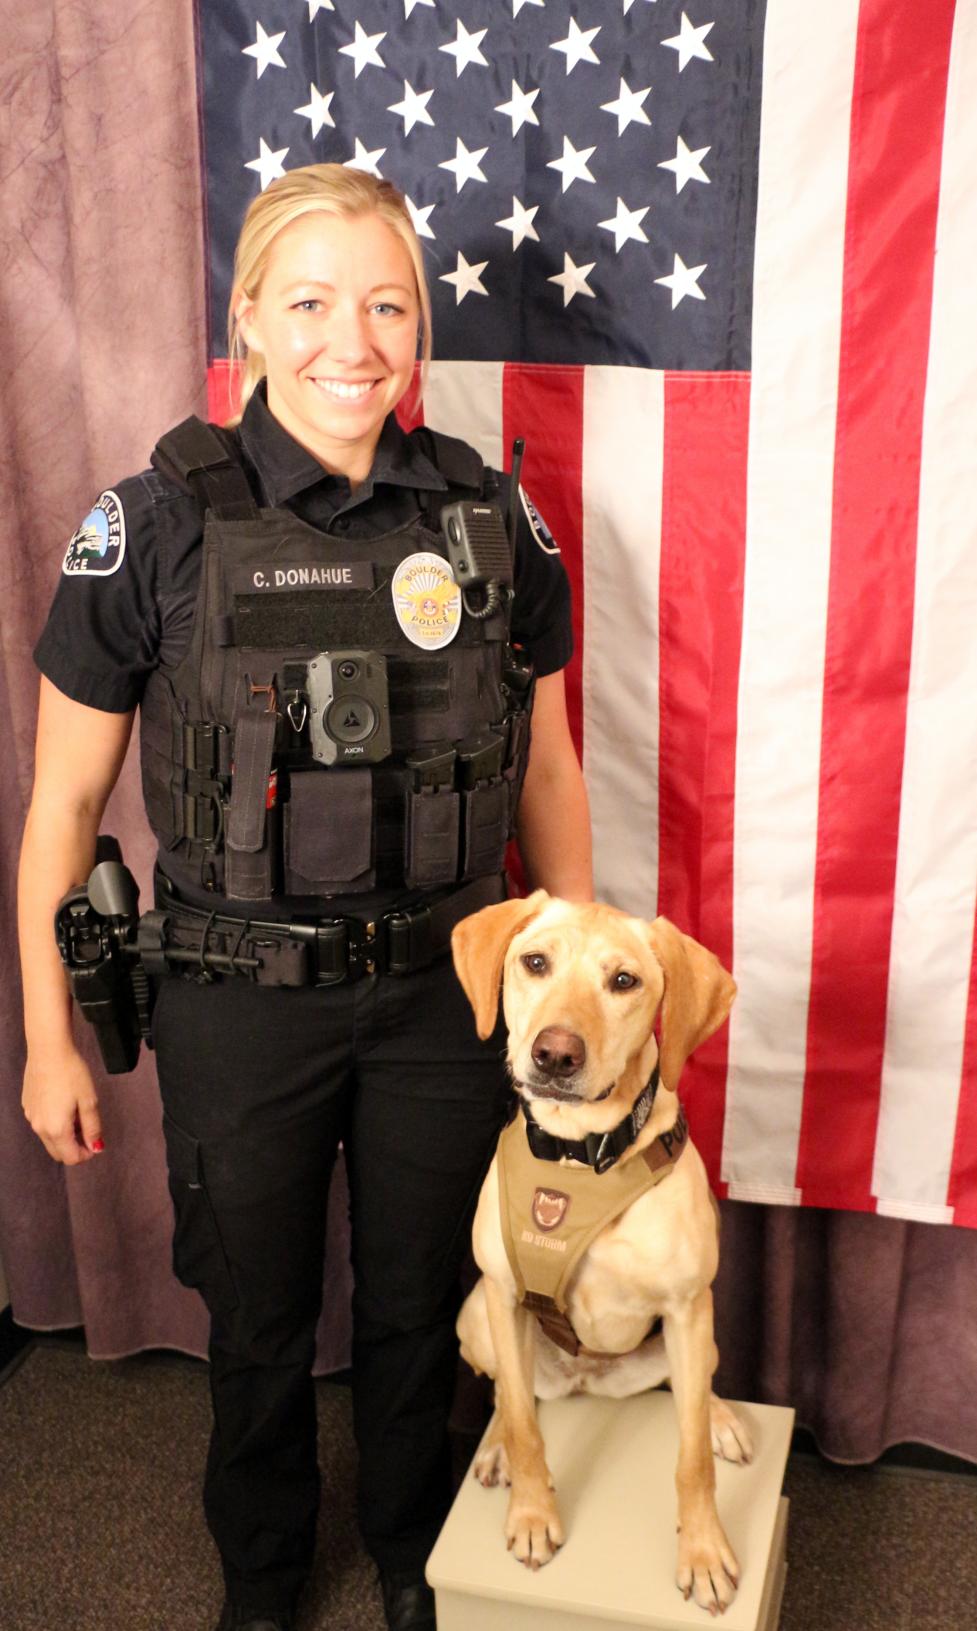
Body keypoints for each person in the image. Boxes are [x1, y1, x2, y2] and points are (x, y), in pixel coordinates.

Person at [18, 166, 592, 1631]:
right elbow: (64, 812)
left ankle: (413, 1558)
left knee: (421, 1308)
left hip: (439, 1002)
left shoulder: (486, 521)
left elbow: (548, 780)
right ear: (252, 320)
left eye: (388, 304)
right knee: (257, 1325)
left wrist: (575, 995)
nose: (355, 338)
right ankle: (264, 1585)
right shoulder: (148, 526)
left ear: (418, 330)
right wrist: (46, 1036)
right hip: (233, 999)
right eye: (315, 301)